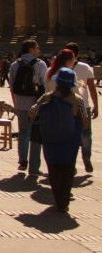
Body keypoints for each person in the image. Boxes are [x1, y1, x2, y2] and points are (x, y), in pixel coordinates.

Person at [33, 67, 89, 213]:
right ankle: (63, 202)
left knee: (53, 170)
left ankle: (58, 198)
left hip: (50, 140)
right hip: (70, 142)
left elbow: (32, 112)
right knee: (67, 171)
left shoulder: (47, 97)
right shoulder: (78, 100)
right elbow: (84, 122)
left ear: (57, 82)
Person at [9, 39, 48, 178]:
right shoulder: (40, 64)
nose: (39, 50)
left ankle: (23, 161)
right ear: (31, 49)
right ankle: (34, 166)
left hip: (20, 104)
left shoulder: (15, 65)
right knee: (36, 135)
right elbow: (45, 84)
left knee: (23, 132)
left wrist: (16, 104)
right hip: (35, 104)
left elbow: (12, 87)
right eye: (37, 47)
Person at [63, 42, 97, 173]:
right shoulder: (85, 67)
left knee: (70, 135)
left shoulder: (61, 67)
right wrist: (96, 106)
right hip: (84, 105)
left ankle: (71, 161)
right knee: (86, 133)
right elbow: (92, 89)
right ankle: (86, 158)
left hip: (67, 106)